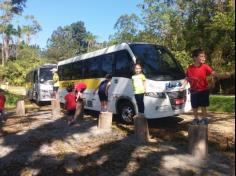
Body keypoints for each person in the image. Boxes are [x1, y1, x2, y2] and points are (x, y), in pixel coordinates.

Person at [180, 48, 220, 125]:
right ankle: (195, 119)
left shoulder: (205, 66)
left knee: (203, 105)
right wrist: (182, 86)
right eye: (201, 56)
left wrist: (219, 75)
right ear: (195, 57)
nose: (204, 58)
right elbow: (187, 79)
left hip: (204, 90)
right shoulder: (190, 68)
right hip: (194, 91)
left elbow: (213, 73)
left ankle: (204, 119)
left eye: (204, 56)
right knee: (194, 106)